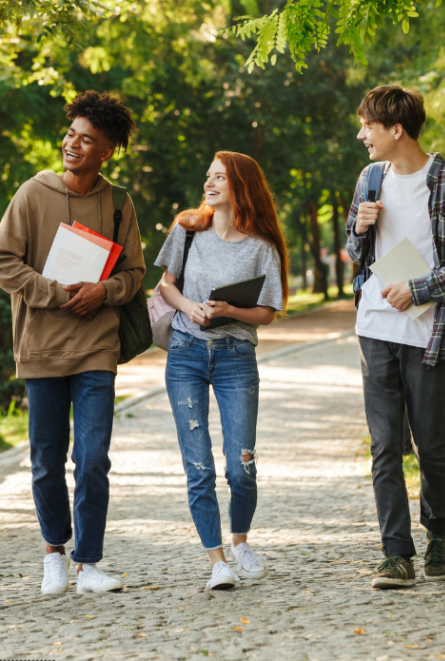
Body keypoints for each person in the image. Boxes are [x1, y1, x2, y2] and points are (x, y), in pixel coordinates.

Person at [0, 91, 144, 596]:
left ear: (107, 151)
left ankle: (89, 563)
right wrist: (56, 294)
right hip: (41, 347)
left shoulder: (119, 203)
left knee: (94, 456)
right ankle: (54, 550)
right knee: (46, 458)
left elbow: (135, 274)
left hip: (97, 347)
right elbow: (4, 264)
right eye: (71, 135)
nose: (73, 145)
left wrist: (104, 290)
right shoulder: (31, 194)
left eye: (87, 140)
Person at [346, 85, 445, 589]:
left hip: (431, 331)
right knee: (385, 445)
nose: (361, 134)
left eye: (368, 126)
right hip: (375, 328)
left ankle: (438, 533)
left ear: (396, 129)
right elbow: (353, 250)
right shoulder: (369, 178)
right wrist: (359, 230)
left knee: (429, 442)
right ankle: (395, 554)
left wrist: (419, 287)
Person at [155, 151, 289, 591]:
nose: (209, 183)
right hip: (185, 353)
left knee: (241, 465)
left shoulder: (262, 247)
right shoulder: (187, 230)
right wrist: (190, 306)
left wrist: (229, 308)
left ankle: (241, 541)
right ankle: (217, 560)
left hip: (235, 357)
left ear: (241, 186)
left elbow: (267, 312)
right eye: (208, 176)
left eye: (220, 177)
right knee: (199, 468)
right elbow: (165, 287)